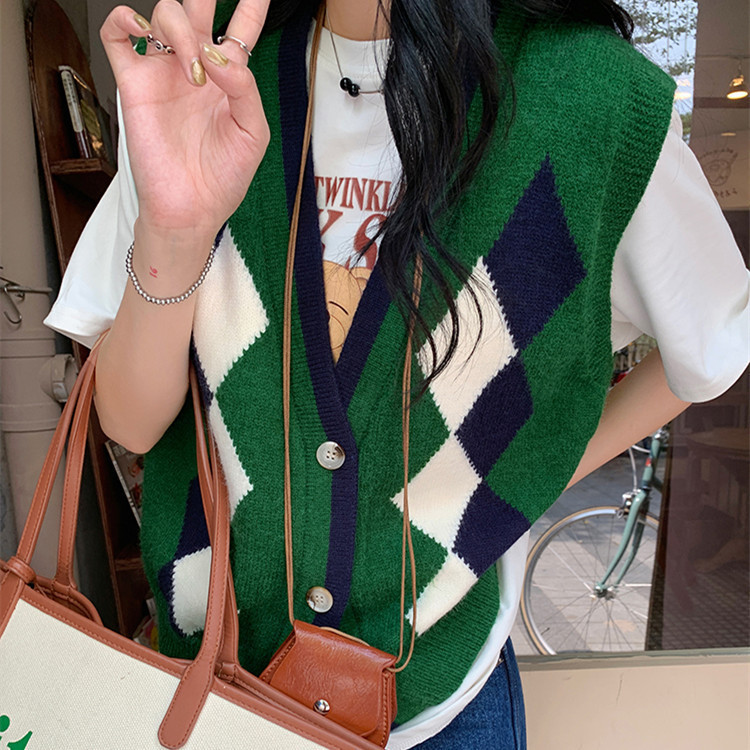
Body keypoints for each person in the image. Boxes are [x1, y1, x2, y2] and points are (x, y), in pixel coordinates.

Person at [45, 0, 749, 747]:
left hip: (441, 708)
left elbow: (711, 348)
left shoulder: (591, 100)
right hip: (208, 688)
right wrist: (175, 231)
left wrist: (518, 478)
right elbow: (130, 423)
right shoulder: (203, 72)